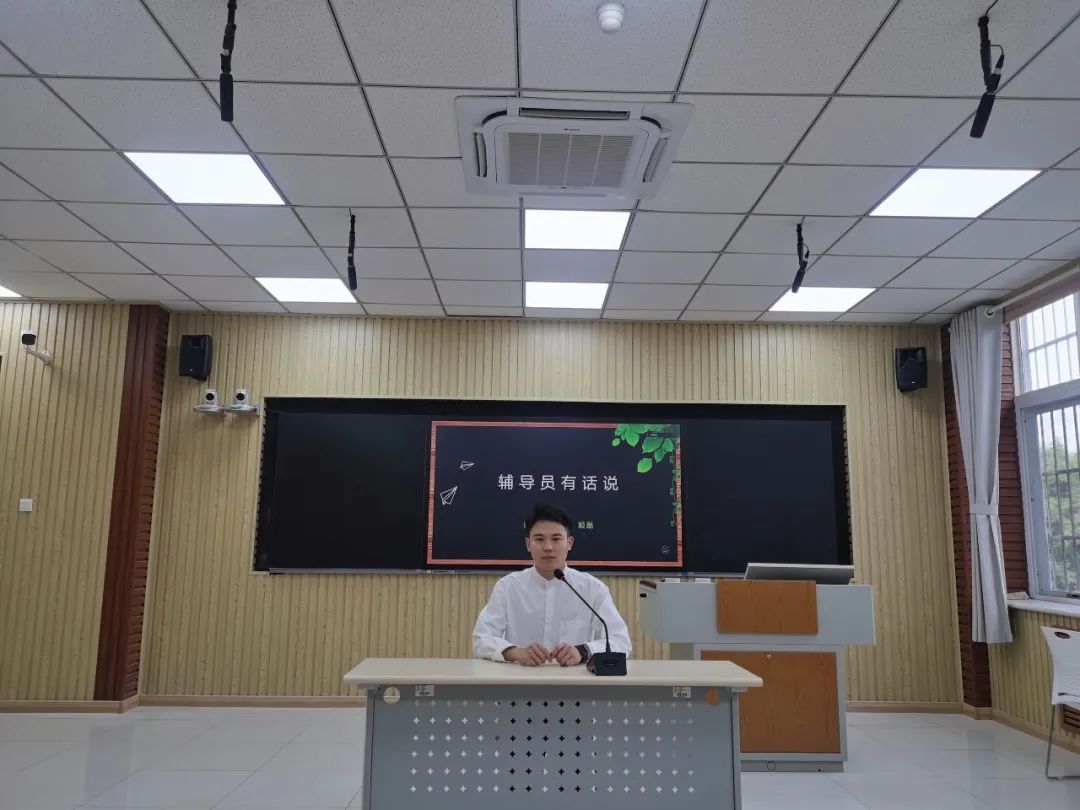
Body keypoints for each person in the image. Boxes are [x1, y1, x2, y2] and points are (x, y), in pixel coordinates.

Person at [472, 503, 632, 666]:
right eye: (539, 539)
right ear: (528, 544)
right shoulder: (508, 587)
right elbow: (481, 639)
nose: (548, 547)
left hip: (574, 680)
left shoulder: (592, 589)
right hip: (520, 678)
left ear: (569, 543)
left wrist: (583, 651)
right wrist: (515, 652)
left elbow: (621, 641)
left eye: (556, 539)